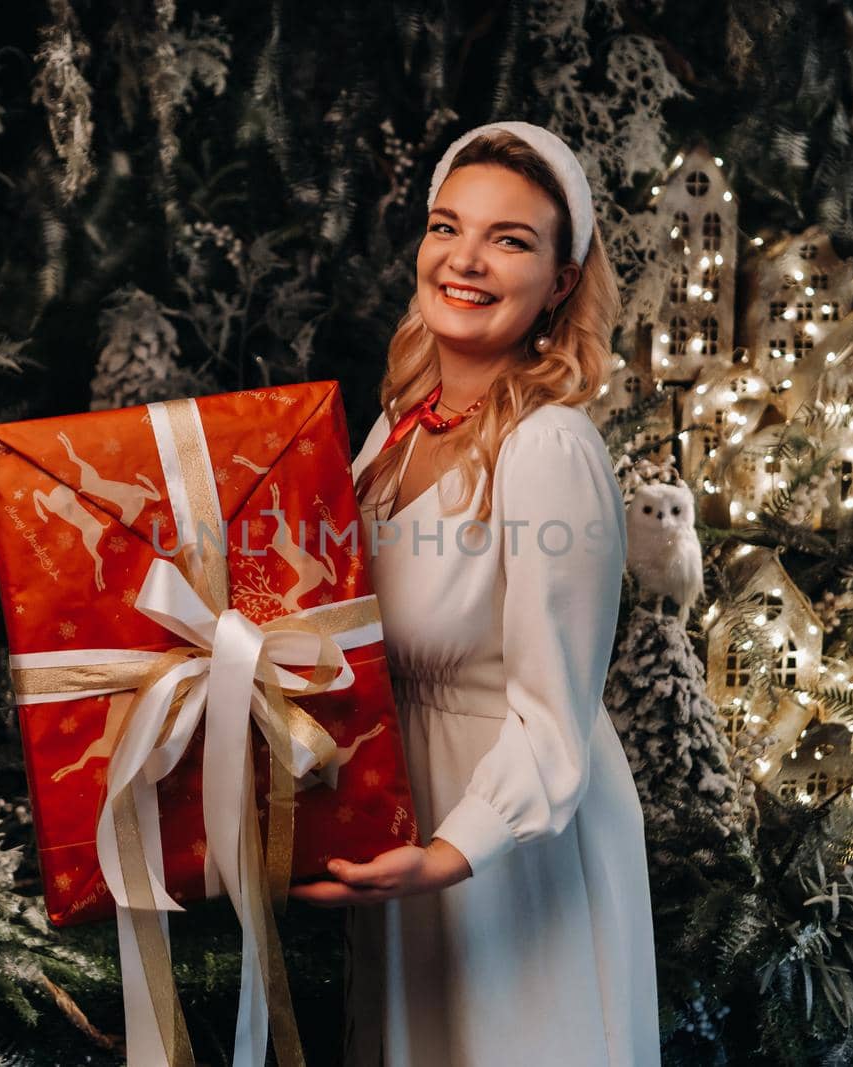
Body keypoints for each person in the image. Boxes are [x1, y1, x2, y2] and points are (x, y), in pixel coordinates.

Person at [289, 121, 662, 1066]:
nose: (466, 259)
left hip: (508, 850)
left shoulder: (550, 448)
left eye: (510, 239)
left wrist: (452, 855)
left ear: (563, 279)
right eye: (448, 226)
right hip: (405, 827)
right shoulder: (398, 431)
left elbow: (551, 717)